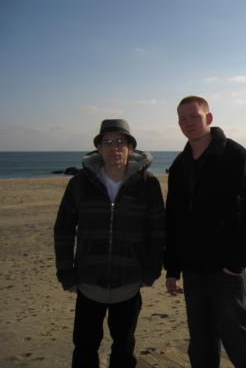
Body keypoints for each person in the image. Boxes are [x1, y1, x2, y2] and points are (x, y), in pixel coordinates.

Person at [54, 119, 165, 368]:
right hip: (88, 283)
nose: (115, 148)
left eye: (120, 142)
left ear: (130, 148)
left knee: (124, 348)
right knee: (84, 347)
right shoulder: (80, 183)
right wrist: (66, 273)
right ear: (99, 148)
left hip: (129, 283)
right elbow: (63, 230)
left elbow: (157, 233)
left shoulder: (148, 184)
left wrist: (151, 271)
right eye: (108, 142)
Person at [165, 96, 246, 367]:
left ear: (209, 118)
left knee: (238, 337)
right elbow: (173, 220)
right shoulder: (180, 166)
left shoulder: (236, 157)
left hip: (225, 270)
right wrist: (172, 268)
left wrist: (235, 264)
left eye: (194, 116)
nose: (188, 123)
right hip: (192, 270)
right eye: (182, 119)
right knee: (201, 341)